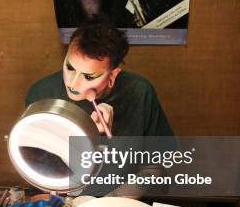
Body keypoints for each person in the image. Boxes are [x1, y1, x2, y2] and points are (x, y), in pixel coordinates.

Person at [26, 18, 172, 137]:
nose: (73, 83)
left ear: (113, 75)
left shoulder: (140, 92)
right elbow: (38, 162)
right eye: (70, 68)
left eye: (89, 77)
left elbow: (157, 161)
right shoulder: (42, 94)